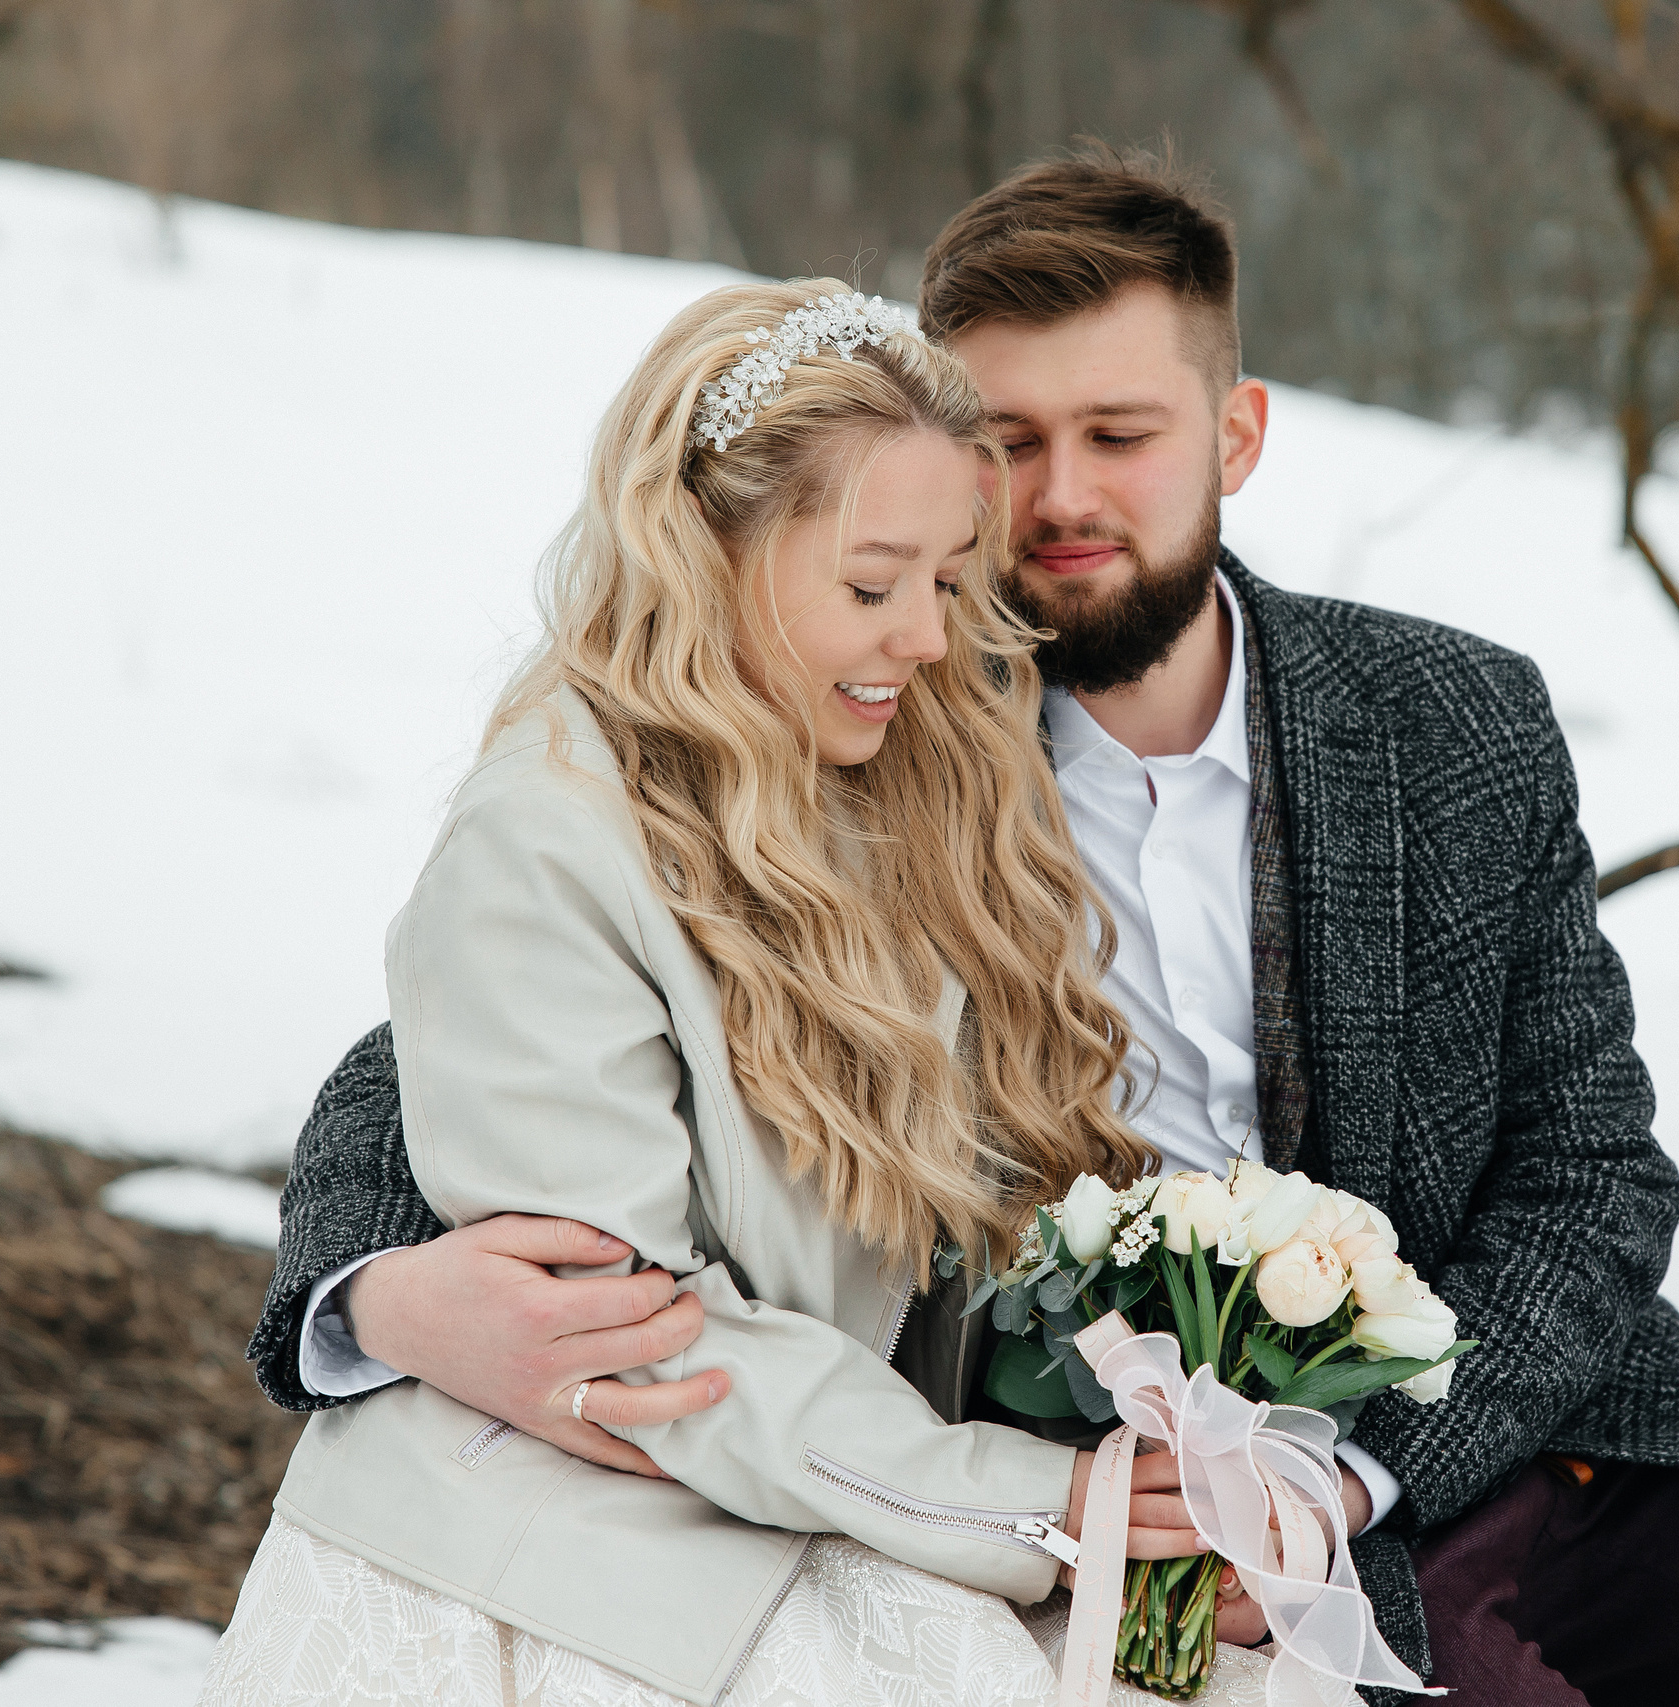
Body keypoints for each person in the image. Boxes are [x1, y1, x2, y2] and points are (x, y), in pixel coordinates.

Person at [248, 151, 1679, 1706]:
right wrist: (374, 1297)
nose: (1059, 500)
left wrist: (1362, 1461)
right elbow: (452, 1032)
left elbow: (1593, 1175)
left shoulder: (1446, 720)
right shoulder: (869, 728)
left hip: (1511, 1428)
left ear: (1236, 432)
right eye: (1006, 444)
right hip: (1136, 1510)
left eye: (1122, 433)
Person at [202, 278, 1321, 1707]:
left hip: (834, 1486)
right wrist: (1043, 1506)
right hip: (583, 1548)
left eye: (947, 577)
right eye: (873, 585)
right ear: (707, 556)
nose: (930, 636)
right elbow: (645, 1351)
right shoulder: (549, 839)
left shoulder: (919, 763)